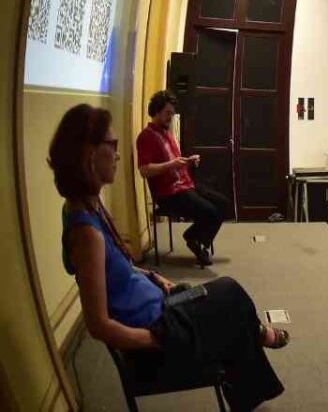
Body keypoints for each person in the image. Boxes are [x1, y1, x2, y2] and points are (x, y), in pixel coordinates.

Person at [55, 104, 285, 410]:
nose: (118, 154)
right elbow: (98, 325)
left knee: (230, 303)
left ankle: (254, 352)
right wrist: (156, 338)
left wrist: (153, 276)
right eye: (112, 146)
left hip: (160, 306)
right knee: (230, 297)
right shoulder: (86, 234)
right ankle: (259, 338)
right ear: (89, 155)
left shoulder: (85, 205)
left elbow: (117, 268)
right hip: (157, 328)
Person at [136, 90, 228, 266]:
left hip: (185, 185)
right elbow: (144, 170)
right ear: (156, 111)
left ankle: (195, 238)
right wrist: (172, 165)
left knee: (223, 203)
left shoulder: (166, 134)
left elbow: (175, 163)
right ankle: (194, 239)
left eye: (172, 113)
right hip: (168, 194)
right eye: (167, 113)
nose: (170, 117)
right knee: (210, 212)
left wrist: (188, 161)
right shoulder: (146, 137)